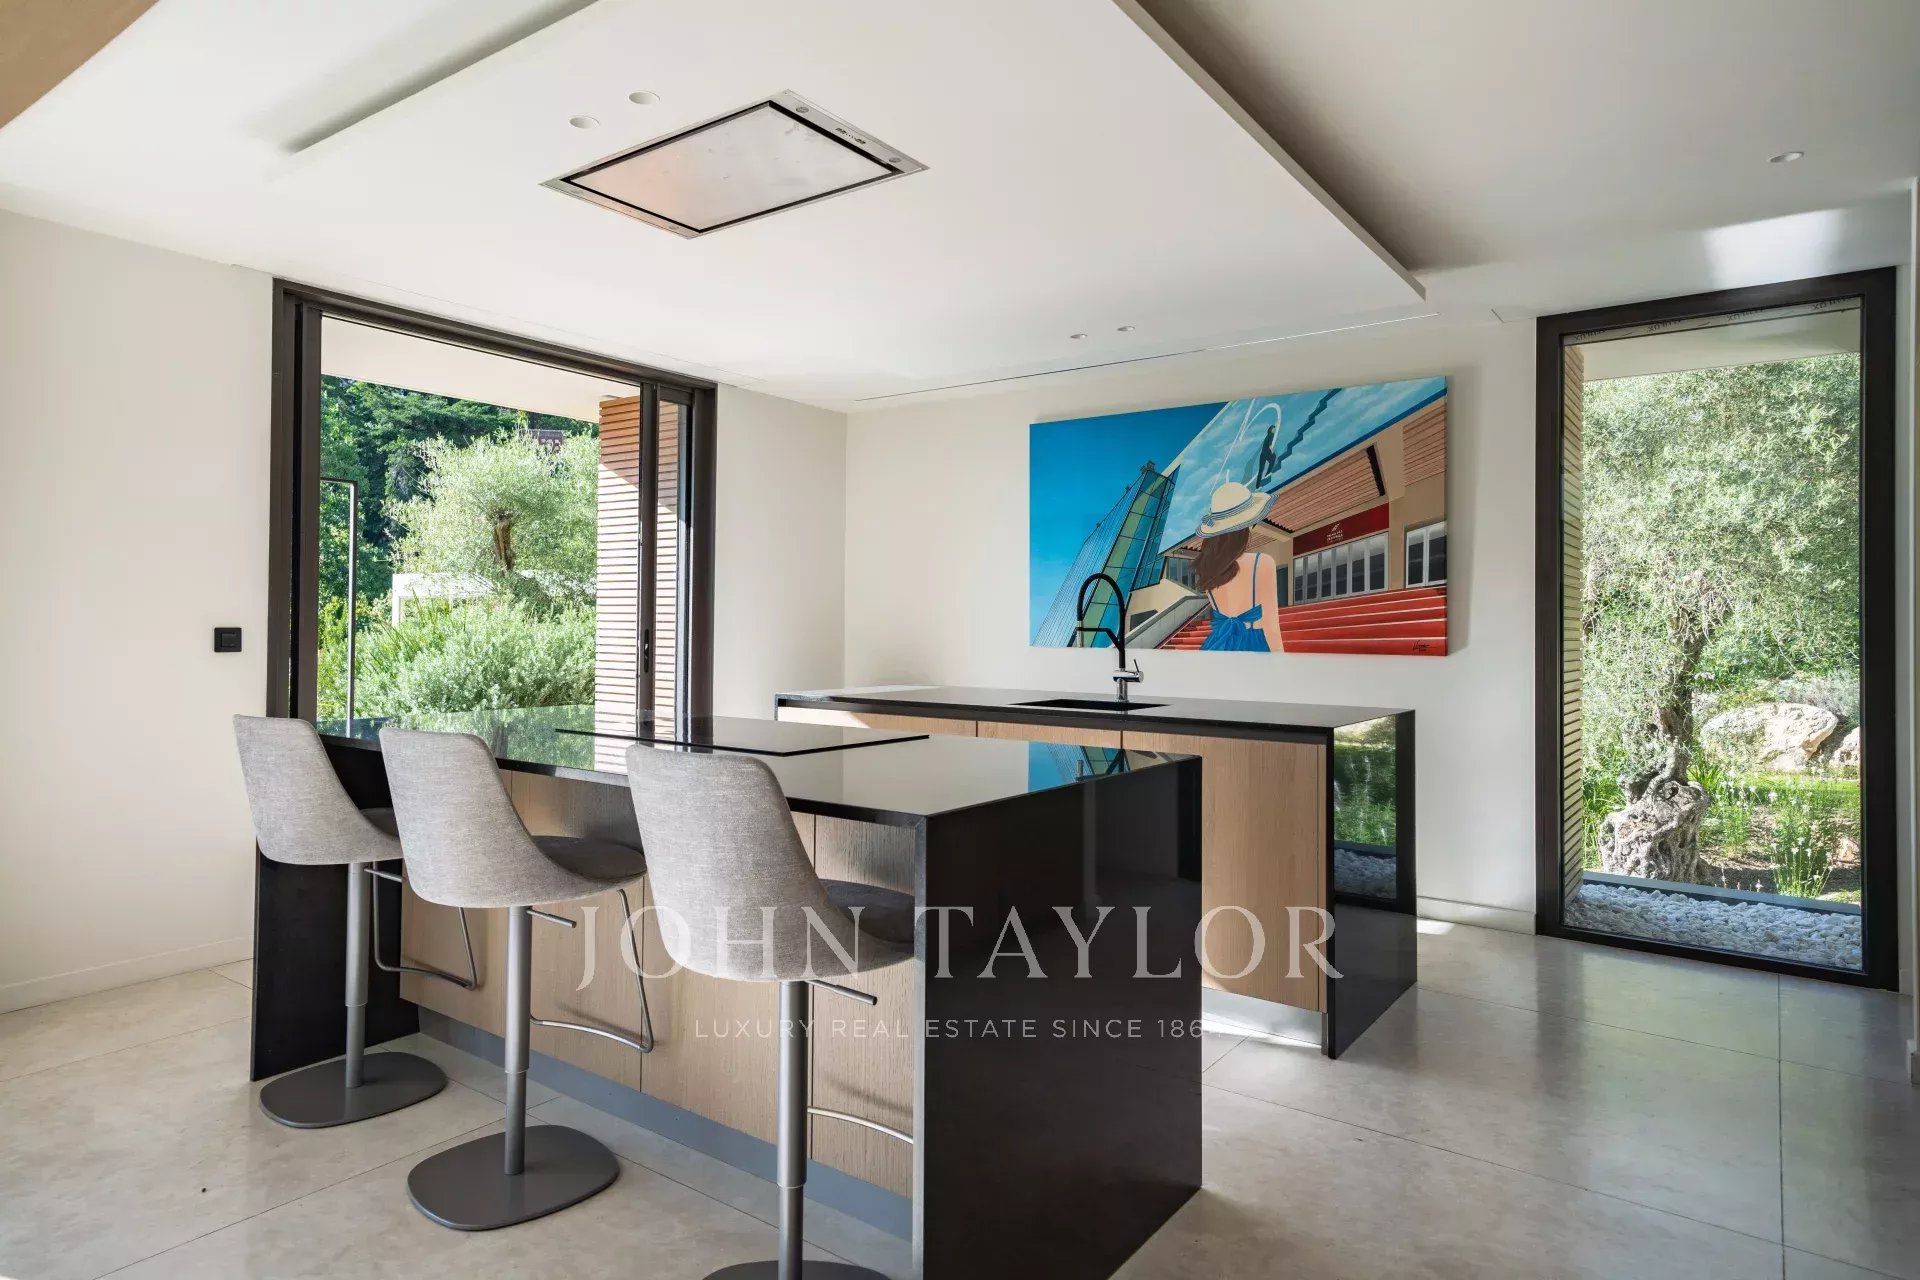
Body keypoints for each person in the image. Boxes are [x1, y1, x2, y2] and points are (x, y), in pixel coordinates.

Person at [1193, 482, 1285, 653]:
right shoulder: (1262, 562)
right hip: (1253, 644)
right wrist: (1281, 663)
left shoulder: (1208, 567)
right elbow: (1271, 625)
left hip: (1218, 644)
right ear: (1247, 524)